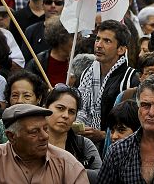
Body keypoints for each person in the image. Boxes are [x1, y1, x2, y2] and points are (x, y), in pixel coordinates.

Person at [0, 103, 89, 184]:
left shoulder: (67, 164)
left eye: (45, 129)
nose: (45, 136)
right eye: (34, 132)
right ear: (11, 136)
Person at [76, 20, 139, 148]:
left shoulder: (130, 79)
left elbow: (136, 126)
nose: (99, 45)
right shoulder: (85, 74)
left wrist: (103, 135)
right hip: (86, 148)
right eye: (98, 39)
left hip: (118, 150)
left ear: (121, 49)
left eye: (107, 41)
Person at [43, 85, 102, 184]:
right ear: (45, 108)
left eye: (71, 112)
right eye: (60, 108)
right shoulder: (32, 143)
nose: (65, 115)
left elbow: (100, 177)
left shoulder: (83, 145)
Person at [0, 69, 48, 146]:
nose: (19, 101)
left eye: (27, 96)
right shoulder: (1, 126)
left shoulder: (47, 124)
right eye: (15, 95)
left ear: (38, 98)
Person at [26, 16, 74, 86]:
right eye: (72, 37)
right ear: (61, 38)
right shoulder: (37, 64)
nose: (77, 40)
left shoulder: (78, 62)